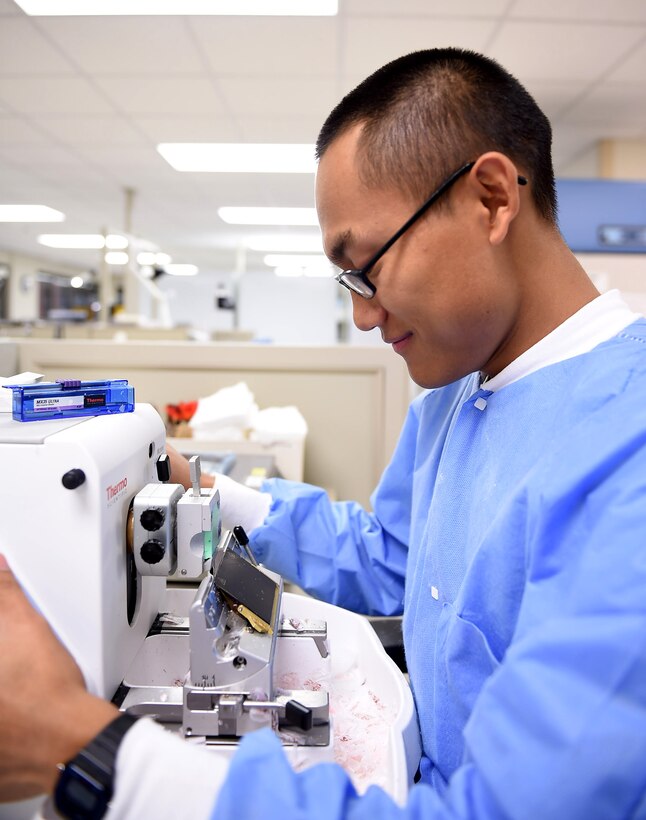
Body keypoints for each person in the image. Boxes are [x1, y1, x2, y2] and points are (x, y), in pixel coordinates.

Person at [2, 46, 646, 819]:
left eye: (366, 266)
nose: (363, 314)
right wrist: (203, 491)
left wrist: (95, 751)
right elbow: (392, 557)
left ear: (491, 197)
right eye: (348, 282)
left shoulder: (625, 452)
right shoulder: (458, 385)